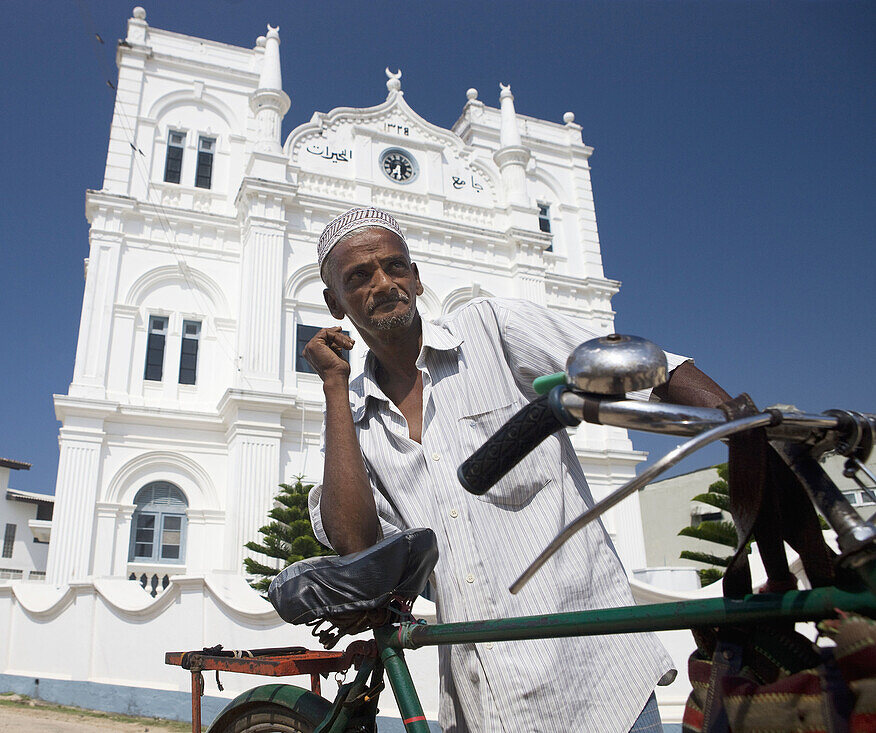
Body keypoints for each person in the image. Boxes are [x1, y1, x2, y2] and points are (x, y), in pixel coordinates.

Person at [302, 206, 730, 732]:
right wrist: (334, 387)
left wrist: (744, 427)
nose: (384, 283)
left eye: (395, 267)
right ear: (334, 303)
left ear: (416, 277)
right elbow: (354, 542)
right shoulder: (351, 423)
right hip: (482, 695)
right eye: (359, 277)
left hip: (596, 680)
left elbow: (637, 365)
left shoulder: (491, 329)